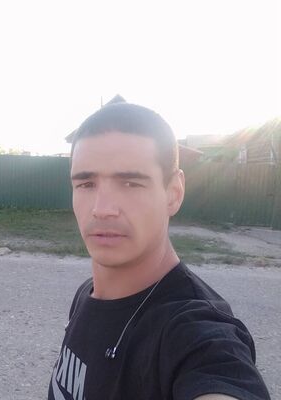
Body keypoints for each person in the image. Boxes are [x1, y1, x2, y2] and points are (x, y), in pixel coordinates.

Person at [48, 102, 270, 400]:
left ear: (174, 193)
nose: (102, 209)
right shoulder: (86, 295)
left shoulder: (194, 331)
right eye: (86, 184)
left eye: (130, 183)